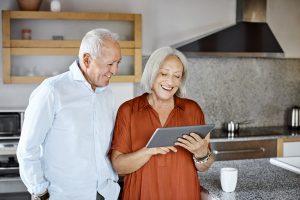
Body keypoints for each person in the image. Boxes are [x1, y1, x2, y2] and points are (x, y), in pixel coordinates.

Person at [17, 28, 122, 200]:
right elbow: (28, 149)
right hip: (64, 195)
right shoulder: (52, 91)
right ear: (87, 60)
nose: (115, 70)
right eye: (110, 64)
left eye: (118, 63)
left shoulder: (107, 95)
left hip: (104, 193)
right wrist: (40, 192)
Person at [110, 46, 214, 200]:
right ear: (151, 74)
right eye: (164, 74)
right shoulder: (128, 110)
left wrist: (202, 154)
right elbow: (118, 166)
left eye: (177, 76)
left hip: (184, 194)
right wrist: (148, 151)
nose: (170, 81)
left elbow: (204, 166)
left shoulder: (193, 110)